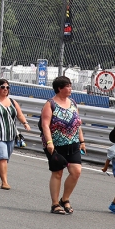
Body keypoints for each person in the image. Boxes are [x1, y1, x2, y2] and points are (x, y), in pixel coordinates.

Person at [40, 75, 85, 214]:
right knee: (58, 173)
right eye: (68, 86)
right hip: (56, 145)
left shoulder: (72, 103)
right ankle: (55, 204)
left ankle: (64, 199)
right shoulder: (50, 104)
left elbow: (77, 124)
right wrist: (49, 142)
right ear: (59, 88)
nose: (70, 88)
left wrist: (82, 141)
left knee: (76, 172)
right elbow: (45, 125)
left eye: (70, 85)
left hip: (73, 143)